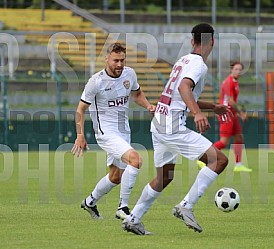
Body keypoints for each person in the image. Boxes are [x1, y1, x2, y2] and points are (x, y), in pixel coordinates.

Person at [121, 23, 233, 235]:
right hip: (172, 126)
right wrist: (198, 114)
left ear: (193, 41)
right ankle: (186, 206)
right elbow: (183, 88)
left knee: (164, 177)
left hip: (160, 123)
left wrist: (212, 107)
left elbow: (182, 95)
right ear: (213, 42)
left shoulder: (183, 60)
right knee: (218, 160)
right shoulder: (199, 64)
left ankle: (133, 219)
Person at [71, 43, 155, 220]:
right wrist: (80, 135)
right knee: (135, 160)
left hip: (123, 130)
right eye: (116, 60)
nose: (119, 64)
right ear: (106, 59)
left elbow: (137, 94)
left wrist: (148, 105)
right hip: (106, 132)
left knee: (116, 176)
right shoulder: (96, 81)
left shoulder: (129, 74)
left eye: (122, 60)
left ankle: (90, 202)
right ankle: (123, 208)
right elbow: (80, 110)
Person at [197, 62, 252, 172]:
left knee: (239, 137)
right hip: (225, 113)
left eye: (240, 69)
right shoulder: (228, 82)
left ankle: (238, 164)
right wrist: (241, 113)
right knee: (224, 141)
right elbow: (230, 101)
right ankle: (203, 158)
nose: (238, 71)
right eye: (236, 69)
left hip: (232, 114)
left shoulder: (235, 82)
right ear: (231, 70)